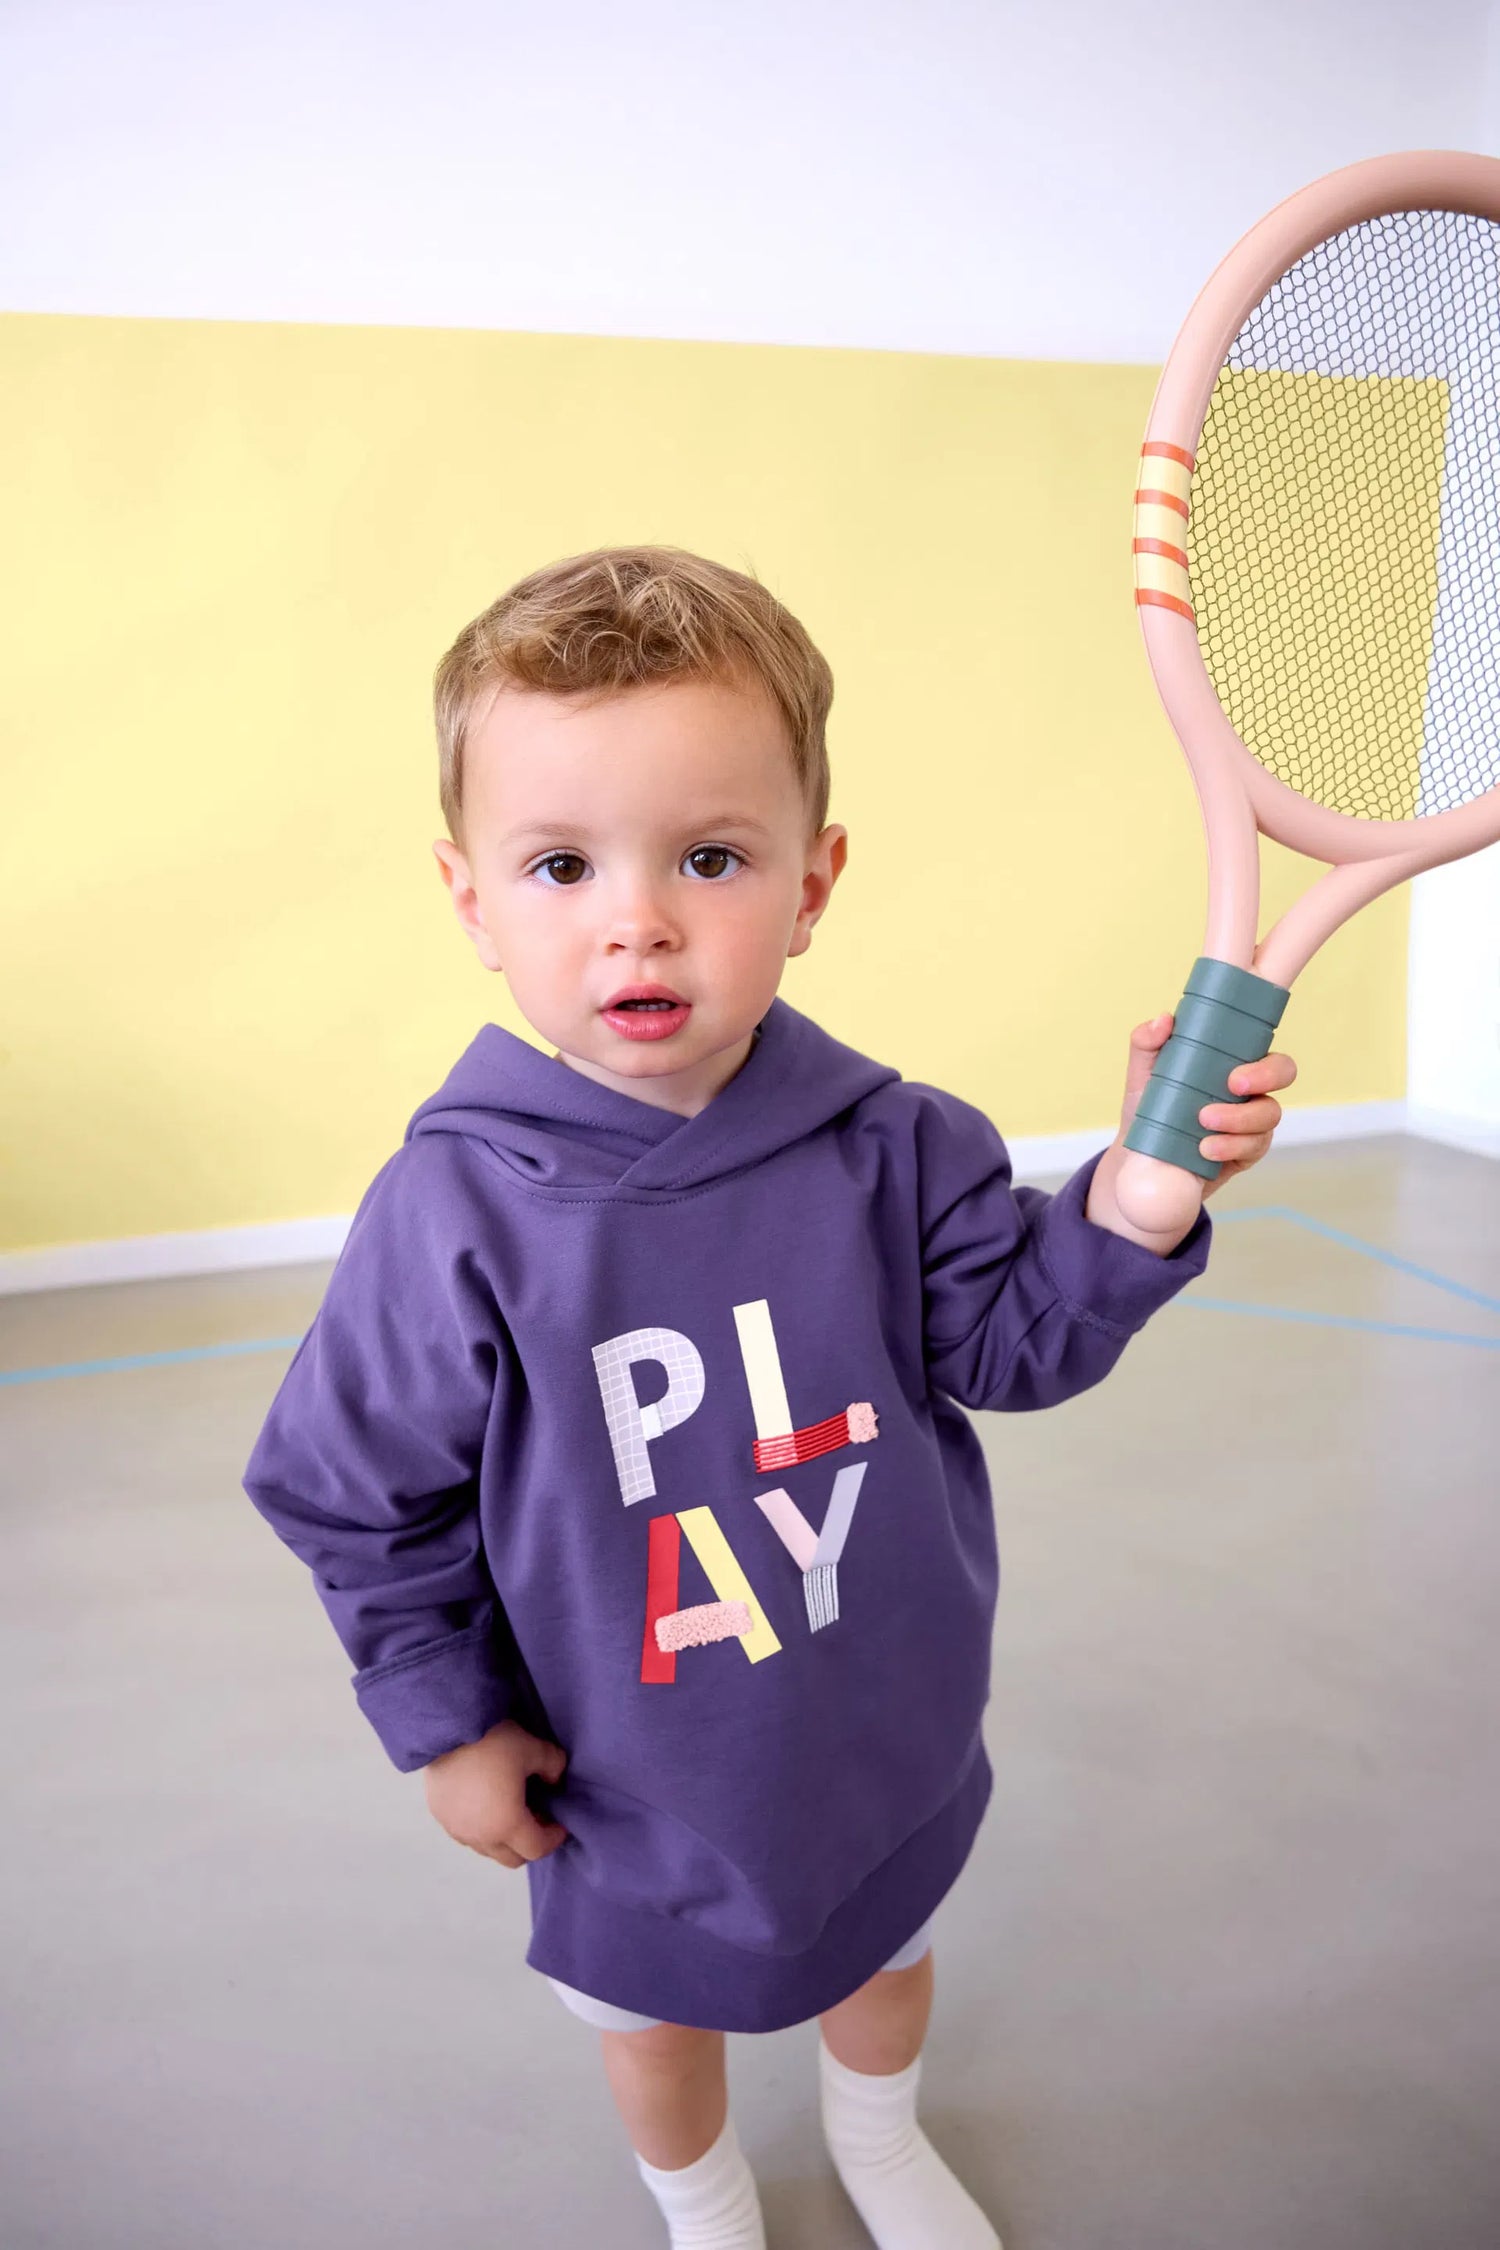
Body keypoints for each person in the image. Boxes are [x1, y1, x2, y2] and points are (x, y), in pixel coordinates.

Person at [241, 546, 1296, 2250]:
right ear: (469, 898)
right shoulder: (454, 1212)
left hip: (875, 1724)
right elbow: (352, 1492)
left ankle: (880, 2139)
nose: (636, 917)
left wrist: (1134, 1208)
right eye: (562, 863)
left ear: (814, 881)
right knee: (655, 2024)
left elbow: (1020, 1341)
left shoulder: (900, 1143)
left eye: (710, 856)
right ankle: (708, 2200)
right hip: (630, 1767)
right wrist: (442, 1715)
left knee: (883, 1959)